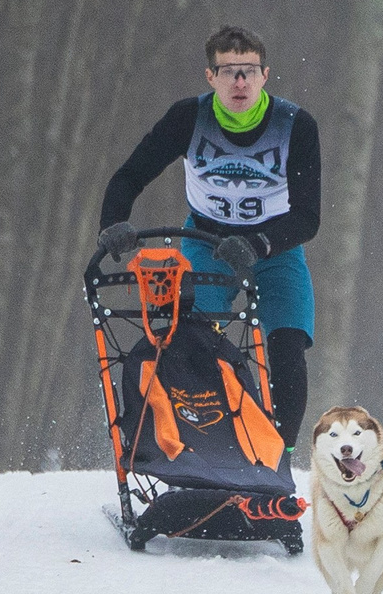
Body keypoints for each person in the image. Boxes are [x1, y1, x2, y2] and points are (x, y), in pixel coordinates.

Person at [97, 25, 319, 443]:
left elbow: (308, 217)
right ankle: (211, 450)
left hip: (274, 246)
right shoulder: (188, 118)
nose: (240, 82)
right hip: (206, 241)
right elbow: (130, 175)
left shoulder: (295, 126)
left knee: (288, 345)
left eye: (249, 71)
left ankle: (279, 457)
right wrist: (112, 223)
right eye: (229, 71)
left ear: (265, 76)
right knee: (197, 344)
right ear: (210, 76)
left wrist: (258, 244)